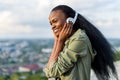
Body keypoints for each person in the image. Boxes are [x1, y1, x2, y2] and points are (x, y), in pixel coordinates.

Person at [43, 5, 118, 80]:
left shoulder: (79, 40)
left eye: (55, 21)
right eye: (51, 23)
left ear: (69, 20)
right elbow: (49, 71)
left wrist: (59, 42)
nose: (52, 26)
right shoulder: (67, 40)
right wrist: (57, 40)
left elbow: (52, 72)